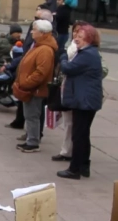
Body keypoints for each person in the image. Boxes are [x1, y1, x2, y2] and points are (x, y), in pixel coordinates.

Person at [57, 24, 104, 178]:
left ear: (89, 39)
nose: (76, 39)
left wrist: (63, 57)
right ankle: (84, 166)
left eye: (80, 37)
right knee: (83, 134)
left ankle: (75, 169)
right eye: (76, 36)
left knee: (78, 135)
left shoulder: (87, 54)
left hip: (84, 101)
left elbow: (68, 68)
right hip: (86, 99)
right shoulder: (87, 52)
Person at [12, 19, 58, 153]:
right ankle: (30, 139)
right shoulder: (39, 46)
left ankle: (33, 142)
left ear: (43, 33)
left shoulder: (45, 49)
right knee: (30, 115)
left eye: (34, 30)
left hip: (34, 89)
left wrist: (26, 83)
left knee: (32, 116)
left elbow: (41, 73)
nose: (31, 32)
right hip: (30, 88)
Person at [52, 25, 83, 163]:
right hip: (66, 87)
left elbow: (68, 66)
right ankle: (66, 151)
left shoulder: (86, 50)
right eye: (74, 31)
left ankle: (71, 153)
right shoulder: (71, 46)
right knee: (67, 122)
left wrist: (64, 60)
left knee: (74, 124)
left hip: (76, 90)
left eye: (79, 33)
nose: (76, 35)